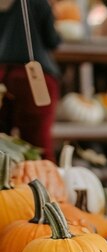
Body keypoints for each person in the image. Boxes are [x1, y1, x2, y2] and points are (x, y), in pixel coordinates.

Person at [0, 0, 61, 160]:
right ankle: (42, 182)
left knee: (2, 144)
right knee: (37, 144)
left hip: (2, 73)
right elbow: (52, 40)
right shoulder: (38, 3)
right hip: (34, 75)